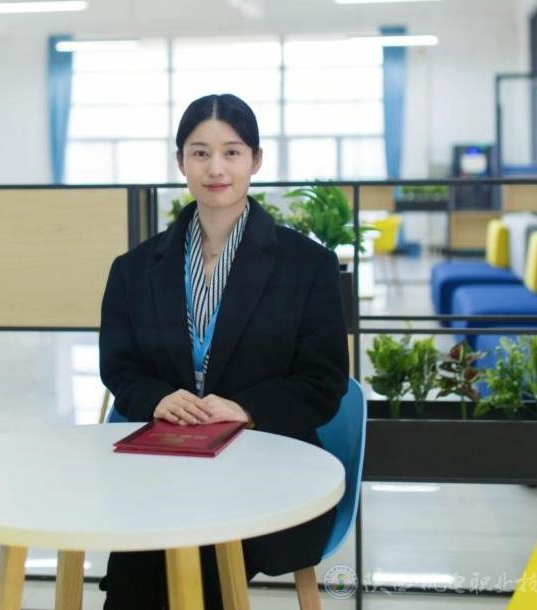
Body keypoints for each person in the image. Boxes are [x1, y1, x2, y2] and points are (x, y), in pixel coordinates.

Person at [98, 93, 349, 610]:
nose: (216, 169)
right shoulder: (134, 268)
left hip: (268, 465)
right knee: (137, 563)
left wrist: (246, 409)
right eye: (200, 153)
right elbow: (119, 366)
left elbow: (322, 382)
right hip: (167, 464)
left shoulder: (308, 265)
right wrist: (157, 398)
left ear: (256, 160)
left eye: (232, 152)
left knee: (192, 547)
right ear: (180, 162)